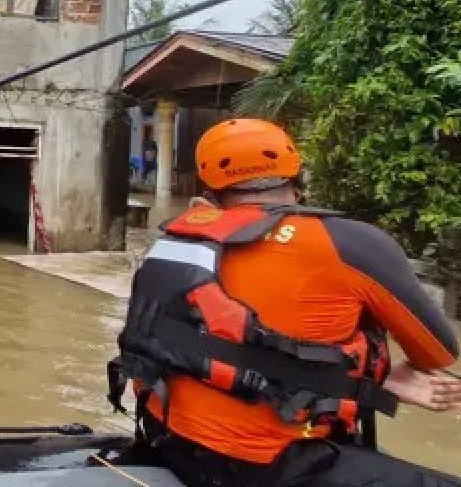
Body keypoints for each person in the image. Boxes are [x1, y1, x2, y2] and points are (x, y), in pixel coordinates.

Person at [108, 118, 460, 487]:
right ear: (297, 180)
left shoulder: (179, 239)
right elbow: (437, 354)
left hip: (167, 440)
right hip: (270, 466)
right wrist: (374, 373)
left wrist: (372, 381)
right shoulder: (352, 242)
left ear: (207, 193)